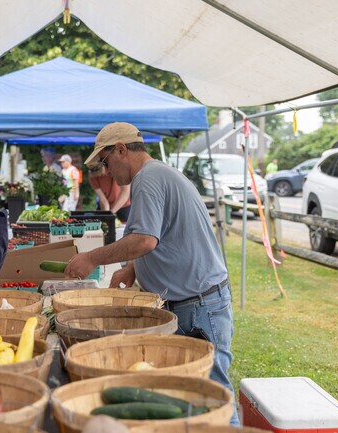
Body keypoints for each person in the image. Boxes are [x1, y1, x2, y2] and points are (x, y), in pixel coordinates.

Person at [64, 122, 239, 426]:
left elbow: (145, 239)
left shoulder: (148, 178)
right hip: (193, 302)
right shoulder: (156, 174)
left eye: (105, 161)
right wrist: (133, 267)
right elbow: (166, 233)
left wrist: (91, 257)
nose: (105, 171)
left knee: (212, 395)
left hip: (199, 306)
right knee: (188, 398)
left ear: (122, 149)